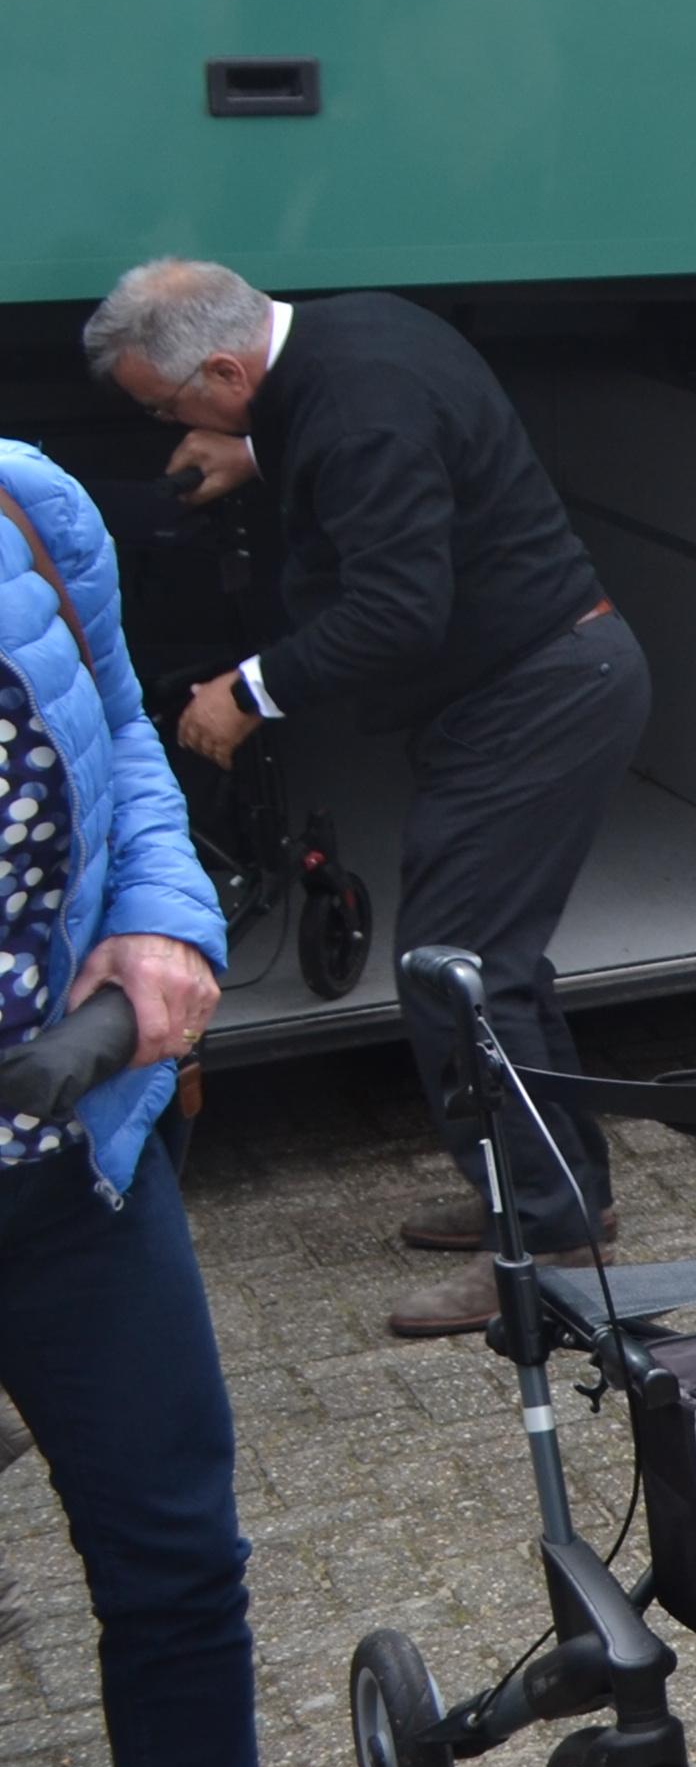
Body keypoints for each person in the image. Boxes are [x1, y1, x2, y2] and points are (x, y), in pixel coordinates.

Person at [0, 440, 414, 1767]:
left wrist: (163, 925)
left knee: (176, 1558)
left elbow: (124, 755)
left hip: (72, 1160)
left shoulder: (30, 505)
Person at [82, 262, 651, 1342]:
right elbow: (364, 431)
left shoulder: (353, 416)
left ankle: (546, 1242)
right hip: (546, 682)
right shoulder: (355, 335)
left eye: (169, 407)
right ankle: (562, 1198)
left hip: (537, 700)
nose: (171, 426)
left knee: (456, 974)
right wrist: (252, 449)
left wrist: (248, 692)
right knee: (498, 968)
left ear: (223, 365)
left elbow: (397, 611)